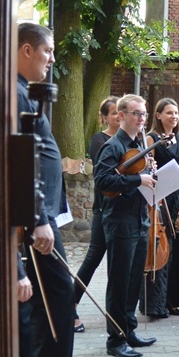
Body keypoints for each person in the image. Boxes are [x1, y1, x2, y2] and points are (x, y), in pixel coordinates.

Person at [17, 23, 91, 357]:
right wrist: (37, 218)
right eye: (47, 52)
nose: (51, 60)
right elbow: (19, 162)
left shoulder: (25, 93)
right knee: (58, 299)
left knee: (38, 304)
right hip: (35, 220)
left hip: (41, 216)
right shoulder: (15, 94)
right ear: (26, 50)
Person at [94, 94, 158, 357]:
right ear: (120, 116)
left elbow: (142, 179)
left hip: (139, 218)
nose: (141, 119)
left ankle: (129, 330)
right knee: (119, 282)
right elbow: (103, 180)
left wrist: (151, 173)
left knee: (133, 280)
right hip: (120, 221)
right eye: (136, 114)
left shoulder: (138, 143)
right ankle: (115, 339)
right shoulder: (112, 146)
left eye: (143, 114)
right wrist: (138, 180)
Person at [142, 97, 179, 318]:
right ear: (158, 115)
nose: (174, 116)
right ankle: (155, 304)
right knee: (160, 247)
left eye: (176, 113)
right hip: (158, 198)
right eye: (169, 113)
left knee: (177, 247)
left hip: (176, 199)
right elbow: (147, 168)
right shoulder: (151, 139)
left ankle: (174, 300)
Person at [73, 96, 120, 332]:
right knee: (93, 258)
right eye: (113, 113)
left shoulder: (132, 139)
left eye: (121, 112)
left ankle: (117, 314)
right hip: (104, 208)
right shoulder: (99, 140)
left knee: (118, 264)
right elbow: (108, 174)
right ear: (104, 117)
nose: (118, 117)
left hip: (125, 212)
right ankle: (69, 306)